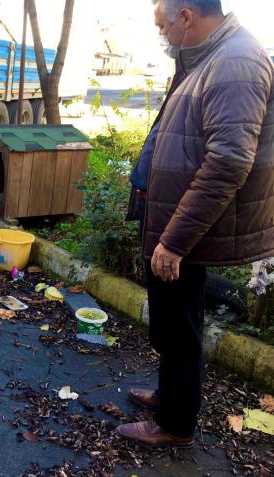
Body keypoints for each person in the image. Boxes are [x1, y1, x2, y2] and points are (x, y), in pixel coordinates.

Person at [118, 0, 274, 447]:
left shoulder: (236, 63)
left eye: (163, 25)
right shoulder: (208, 55)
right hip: (173, 219)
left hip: (185, 229)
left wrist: (175, 241)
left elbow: (228, 162)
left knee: (182, 325)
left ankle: (175, 424)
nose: (162, 35)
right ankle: (170, 397)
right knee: (173, 319)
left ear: (187, 16)